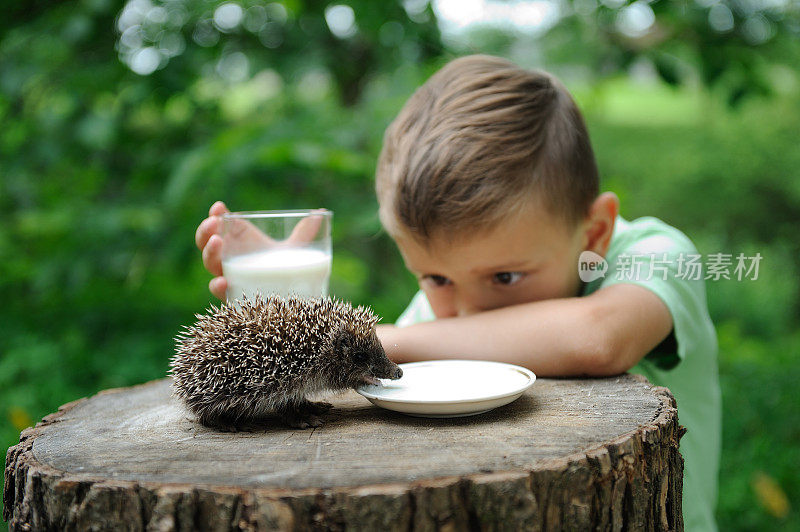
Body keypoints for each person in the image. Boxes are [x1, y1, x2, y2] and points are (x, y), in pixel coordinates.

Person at [194, 55, 720, 531]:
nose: (465, 309)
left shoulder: (654, 252)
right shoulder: (434, 316)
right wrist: (286, 317)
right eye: (437, 278)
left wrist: (366, 338)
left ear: (595, 234)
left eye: (505, 277)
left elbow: (597, 339)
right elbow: (366, 369)